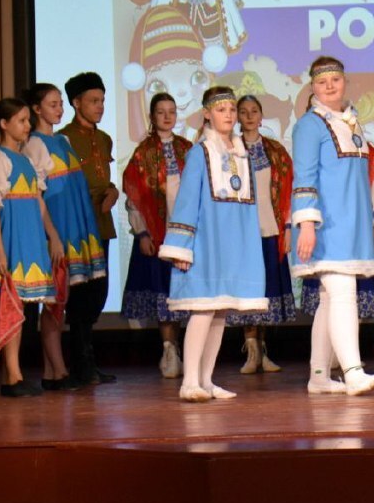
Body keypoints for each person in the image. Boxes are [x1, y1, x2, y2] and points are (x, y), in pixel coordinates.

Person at [159, 86, 268, 401]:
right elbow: (186, 201)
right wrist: (182, 245)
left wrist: (248, 244)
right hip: (206, 242)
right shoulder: (200, 152)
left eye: (232, 110)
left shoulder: (241, 153)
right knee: (204, 310)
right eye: (221, 110)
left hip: (232, 241)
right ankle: (189, 381)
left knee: (220, 311)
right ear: (207, 113)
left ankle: (206, 380)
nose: (229, 115)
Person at [290, 56, 374, 397]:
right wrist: (306, 224)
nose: (330, 86)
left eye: (335, 79)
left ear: (345, 81)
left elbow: (359, 181)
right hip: (326, 226)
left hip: (351, 224)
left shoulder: (352, 123)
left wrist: (370, 222)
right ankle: (353, 372)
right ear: (313, 87)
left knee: (329, 301)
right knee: (344, 294)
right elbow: (304, 177)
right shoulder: (310, 125)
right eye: (322, 82)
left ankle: (319, 376)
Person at [23, 83, 107, 390]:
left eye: (60, 104)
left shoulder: (63, 140)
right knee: (55, 300)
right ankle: (57, 370)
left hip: (76, 227)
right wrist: (52, 235)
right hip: (58, 229)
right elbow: (37, 197)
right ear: (36, 109)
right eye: (53, 104)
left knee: (62, 299)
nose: (59, 110)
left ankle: (52, 372)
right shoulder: (35, 145)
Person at [0, 98, 62, 397]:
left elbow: (38, 202)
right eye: (21, 121)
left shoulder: (27, 161)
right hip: (12, 237)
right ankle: (12, 376)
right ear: (4, 124)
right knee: (11, 306)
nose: (28, 126)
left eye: (28, 120)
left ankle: (12, 374)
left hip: (31, 238)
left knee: (23, 308)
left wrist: (52, 235)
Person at [122, 92, 193, 378]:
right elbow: (134, 197)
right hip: (157, 234)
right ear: (152, 116)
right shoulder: (144, 152)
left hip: (184, 234)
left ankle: (179, 350)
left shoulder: (187, 149)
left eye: (171, 111)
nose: (167, 116)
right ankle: (168, 349)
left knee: (181, 293)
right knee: (163, 292)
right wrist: (142, 233)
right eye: (161, 112)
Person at [226, 94, 295, 374]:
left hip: (270, 228)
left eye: (254, 111)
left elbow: (288, 193)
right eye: (243, 112)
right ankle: (251, 350)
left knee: (266, 291)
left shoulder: (275, 151)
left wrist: (287, 228)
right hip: (241, 233)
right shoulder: (229, 150)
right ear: (237, 117)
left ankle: (262, 350)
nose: (249, 116)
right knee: (248, 291)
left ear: (261, 116)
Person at [59, 72, 119, 386]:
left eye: (102, 101)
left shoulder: (105, 138)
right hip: (78, 224)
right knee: (80, 294)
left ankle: (88, 362)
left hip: (102, 222)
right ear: (76, 102)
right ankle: (80, 364)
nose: (100, 106)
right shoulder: (64, 138)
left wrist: (113, 191)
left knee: (99, 291)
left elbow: (103, 179)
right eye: (94, 101)